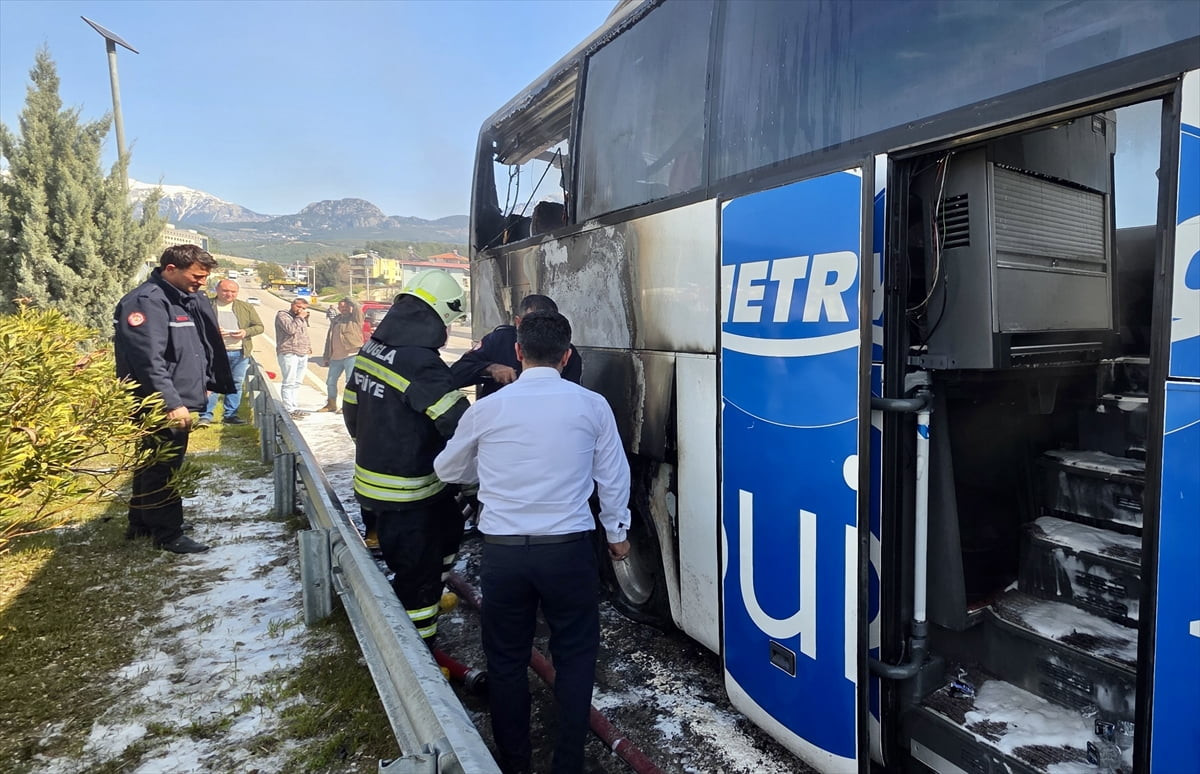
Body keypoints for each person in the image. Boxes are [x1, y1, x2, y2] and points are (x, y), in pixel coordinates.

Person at [434, 310, 631, 774]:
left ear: (518, 353)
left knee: (505, 658)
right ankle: (567, 764)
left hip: (504, 553)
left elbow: (449, 470)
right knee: (576, 655)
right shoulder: (591, 405)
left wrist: (493, 473)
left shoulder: (488, 409)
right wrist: (617, 534)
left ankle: (516, 763)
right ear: (566, 356)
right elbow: (613, 476)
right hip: (568, 549)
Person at [343, 269, 471, 641]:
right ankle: (421, 654)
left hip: (382, 483)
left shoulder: (374, 348)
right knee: (417, 575)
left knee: (450, 529)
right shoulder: (421, 363)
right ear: (436, 315)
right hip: (410, 493)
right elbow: (460, 426)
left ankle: (435, 591)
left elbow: (351, 409)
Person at [114, 244, 235, 554]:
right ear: (171, 269)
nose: (201, 283)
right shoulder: (147, 302)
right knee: (164, 467)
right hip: (157, 403)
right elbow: (148, 362)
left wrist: (205, 381)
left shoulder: (182, 299)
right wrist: (171, 403)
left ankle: (141, 522)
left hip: (178, 397)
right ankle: (168, 534)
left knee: (150, 464)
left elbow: (197, 346)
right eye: (196, 277)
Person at [449, 293, 582, 399]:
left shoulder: (565, 349)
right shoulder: (499, 340)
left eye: (547, 322)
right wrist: (489, 368)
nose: (539, 329)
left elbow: (570, 395)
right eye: (532, 323)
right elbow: (455, 375)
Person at [197, 279, 264, 427]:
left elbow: (259, 327)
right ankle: (205, 416)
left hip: (239, 352)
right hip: (214, 353)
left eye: (233, 292)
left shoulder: (245, 307)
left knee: (235, 384)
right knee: (211, 384)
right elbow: (195, 326)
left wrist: (245, 332)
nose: (229, 294)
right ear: (218, 290)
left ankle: (231, 415)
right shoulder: (206, 305)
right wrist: (212, 332)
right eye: (226, 291)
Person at [317, 297, 364, 413]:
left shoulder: (355, 319)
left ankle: (348, 406)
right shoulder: (336, 320)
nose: (344, 309)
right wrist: (326, 356)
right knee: (330, 382)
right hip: (335, 357)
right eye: (341, 307)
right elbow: (329, 339)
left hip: (351, 354)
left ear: (350, 307)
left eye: (346, 306)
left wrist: (348, 299)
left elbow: (358, 307)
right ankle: (331, 404)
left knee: (350, 382)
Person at [275, 296, 311, 419]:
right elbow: (290, 330)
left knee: (297, 382)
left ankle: (294, 406)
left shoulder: (301, 319)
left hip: (302, 352)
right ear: (292, 305)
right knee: (289, 381)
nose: (300, 310)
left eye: (303, 308)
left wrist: (308, 347)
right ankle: (288, 409)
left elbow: (304, 334)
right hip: (288, 352)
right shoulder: (283, 315)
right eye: (298, 306)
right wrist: (300, 317)